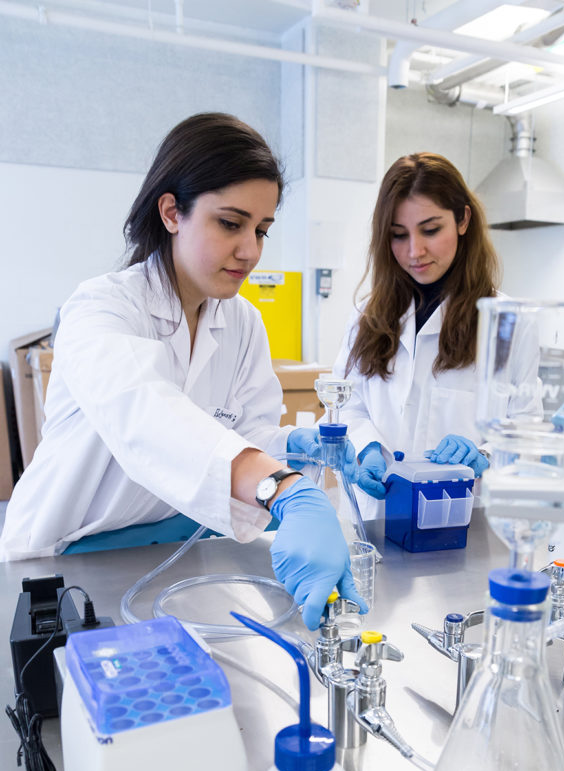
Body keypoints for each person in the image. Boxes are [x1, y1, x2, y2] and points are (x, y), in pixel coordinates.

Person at [0, 112, 362, 629]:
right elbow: (146, 414)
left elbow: (242, 433)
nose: (251, 250)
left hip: (170, 553)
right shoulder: (101, 308)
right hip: (66, 561)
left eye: (262, 229)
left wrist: (296, 448)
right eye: (231, 224)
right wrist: (281, 487)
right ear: (171, 212)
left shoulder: (242, 321)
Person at [332, 152, 540, 517]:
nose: (415, 251)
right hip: (377, 516)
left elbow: (526, 428)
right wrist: (366, 449)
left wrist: (484, 454)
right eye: (398, 235)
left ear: (463, 219)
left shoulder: (509, 322)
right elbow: (346, 402)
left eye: (430, 230)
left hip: (463, 520)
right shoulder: (368, 316)